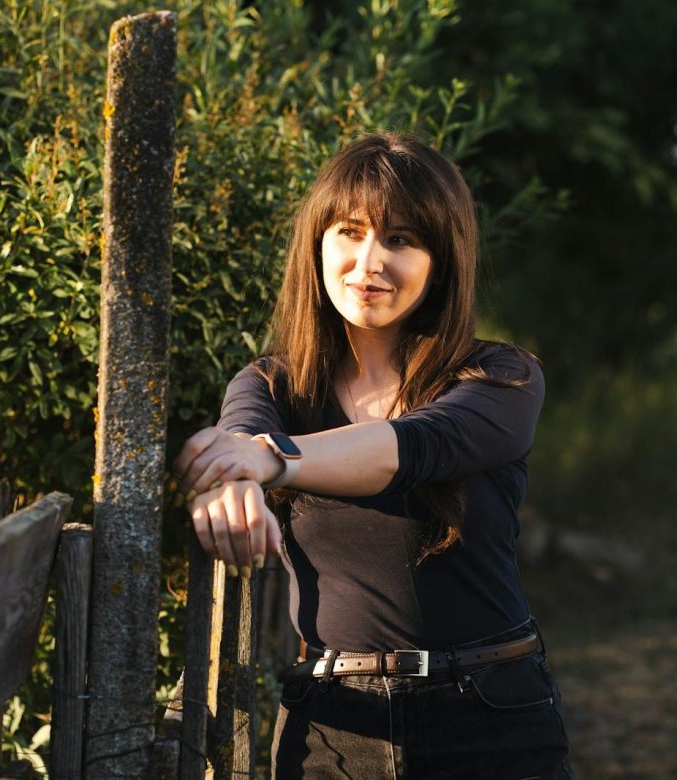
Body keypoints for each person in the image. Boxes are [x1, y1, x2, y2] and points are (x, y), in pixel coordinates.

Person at [172, 132, 571, 778]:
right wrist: (232, 483)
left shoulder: (501, 379)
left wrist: (267, 460)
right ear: (317, 245)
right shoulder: (271, 385)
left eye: (402, 240)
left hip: (488, 715)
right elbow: (238, 440)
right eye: (349, 232)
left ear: (443, 259)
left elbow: (413, 447)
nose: (368, 261)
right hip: (332, 724)